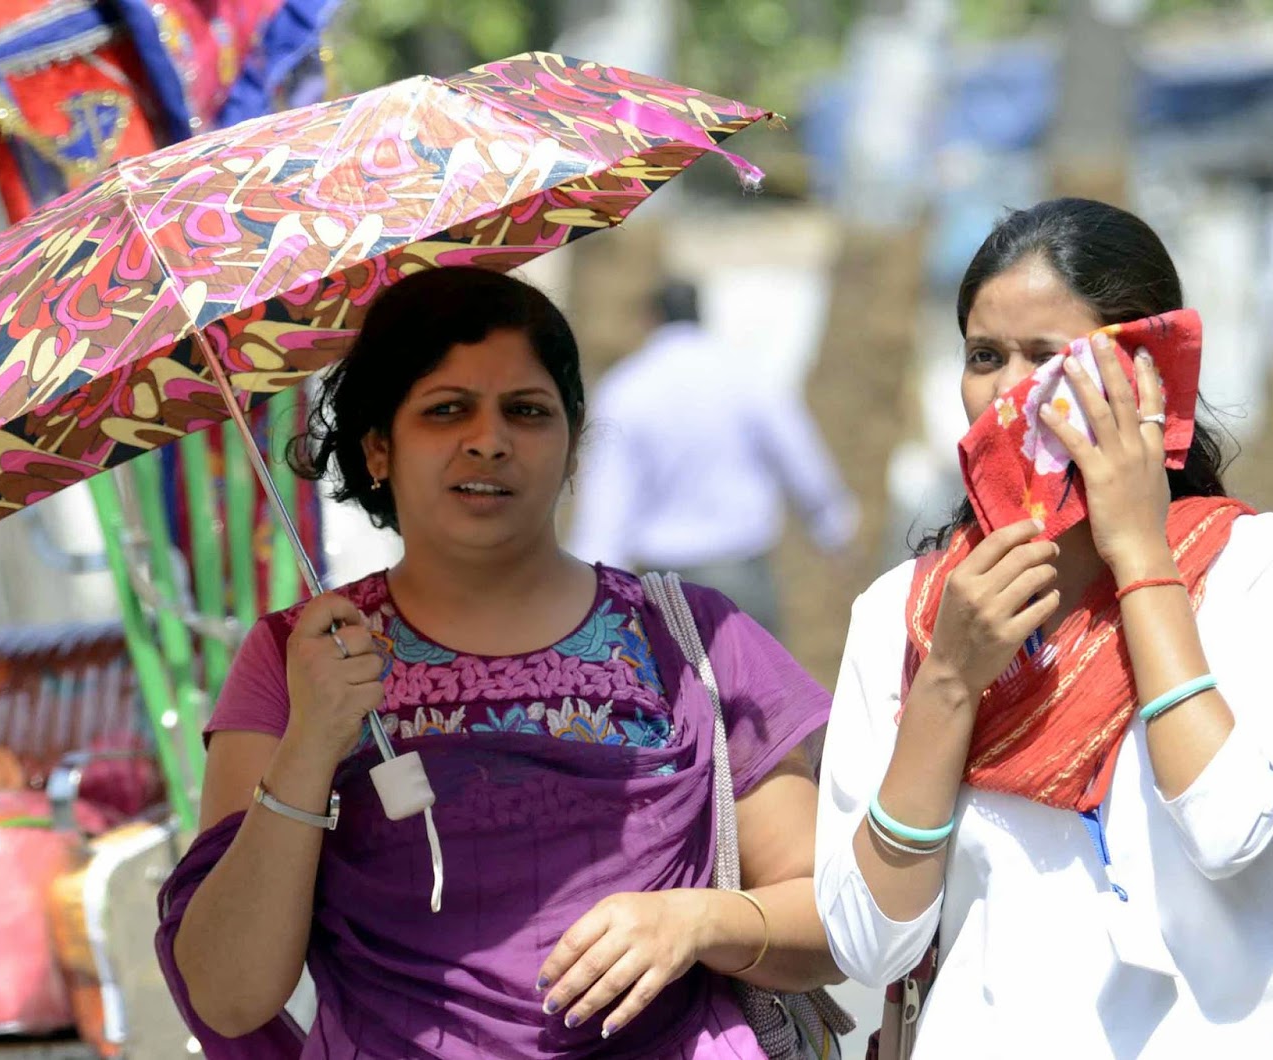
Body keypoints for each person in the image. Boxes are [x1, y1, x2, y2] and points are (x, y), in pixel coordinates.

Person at [156, 266, 843, 1058]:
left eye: (527, 411)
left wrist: (699, 922)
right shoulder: (297, 660)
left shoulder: (693, 640)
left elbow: (831, 923)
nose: (489, 439)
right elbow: (226, 993)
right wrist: (313, 740)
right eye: (446, 410)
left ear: (572, 446)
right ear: (378, 447)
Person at [814, 198, 1273, 1058]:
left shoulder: (1258, 569)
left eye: (1049, 358)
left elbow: (1227, 826)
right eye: (985, 356)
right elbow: (869, 943)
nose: (1009, 392)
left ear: (1145, 373)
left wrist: (1139, 553)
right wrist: (948, 679)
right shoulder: (904, 615)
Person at [568, 280, 858, 636]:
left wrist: (590, 587)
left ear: (651, 319)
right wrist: (832, 527)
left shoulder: (626, 387)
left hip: (662, 588)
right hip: (741, 573)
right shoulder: (745, 376)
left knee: (675, 691)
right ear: (700, 313)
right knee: (759, 690)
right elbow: (797, 455)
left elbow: (606, 503)